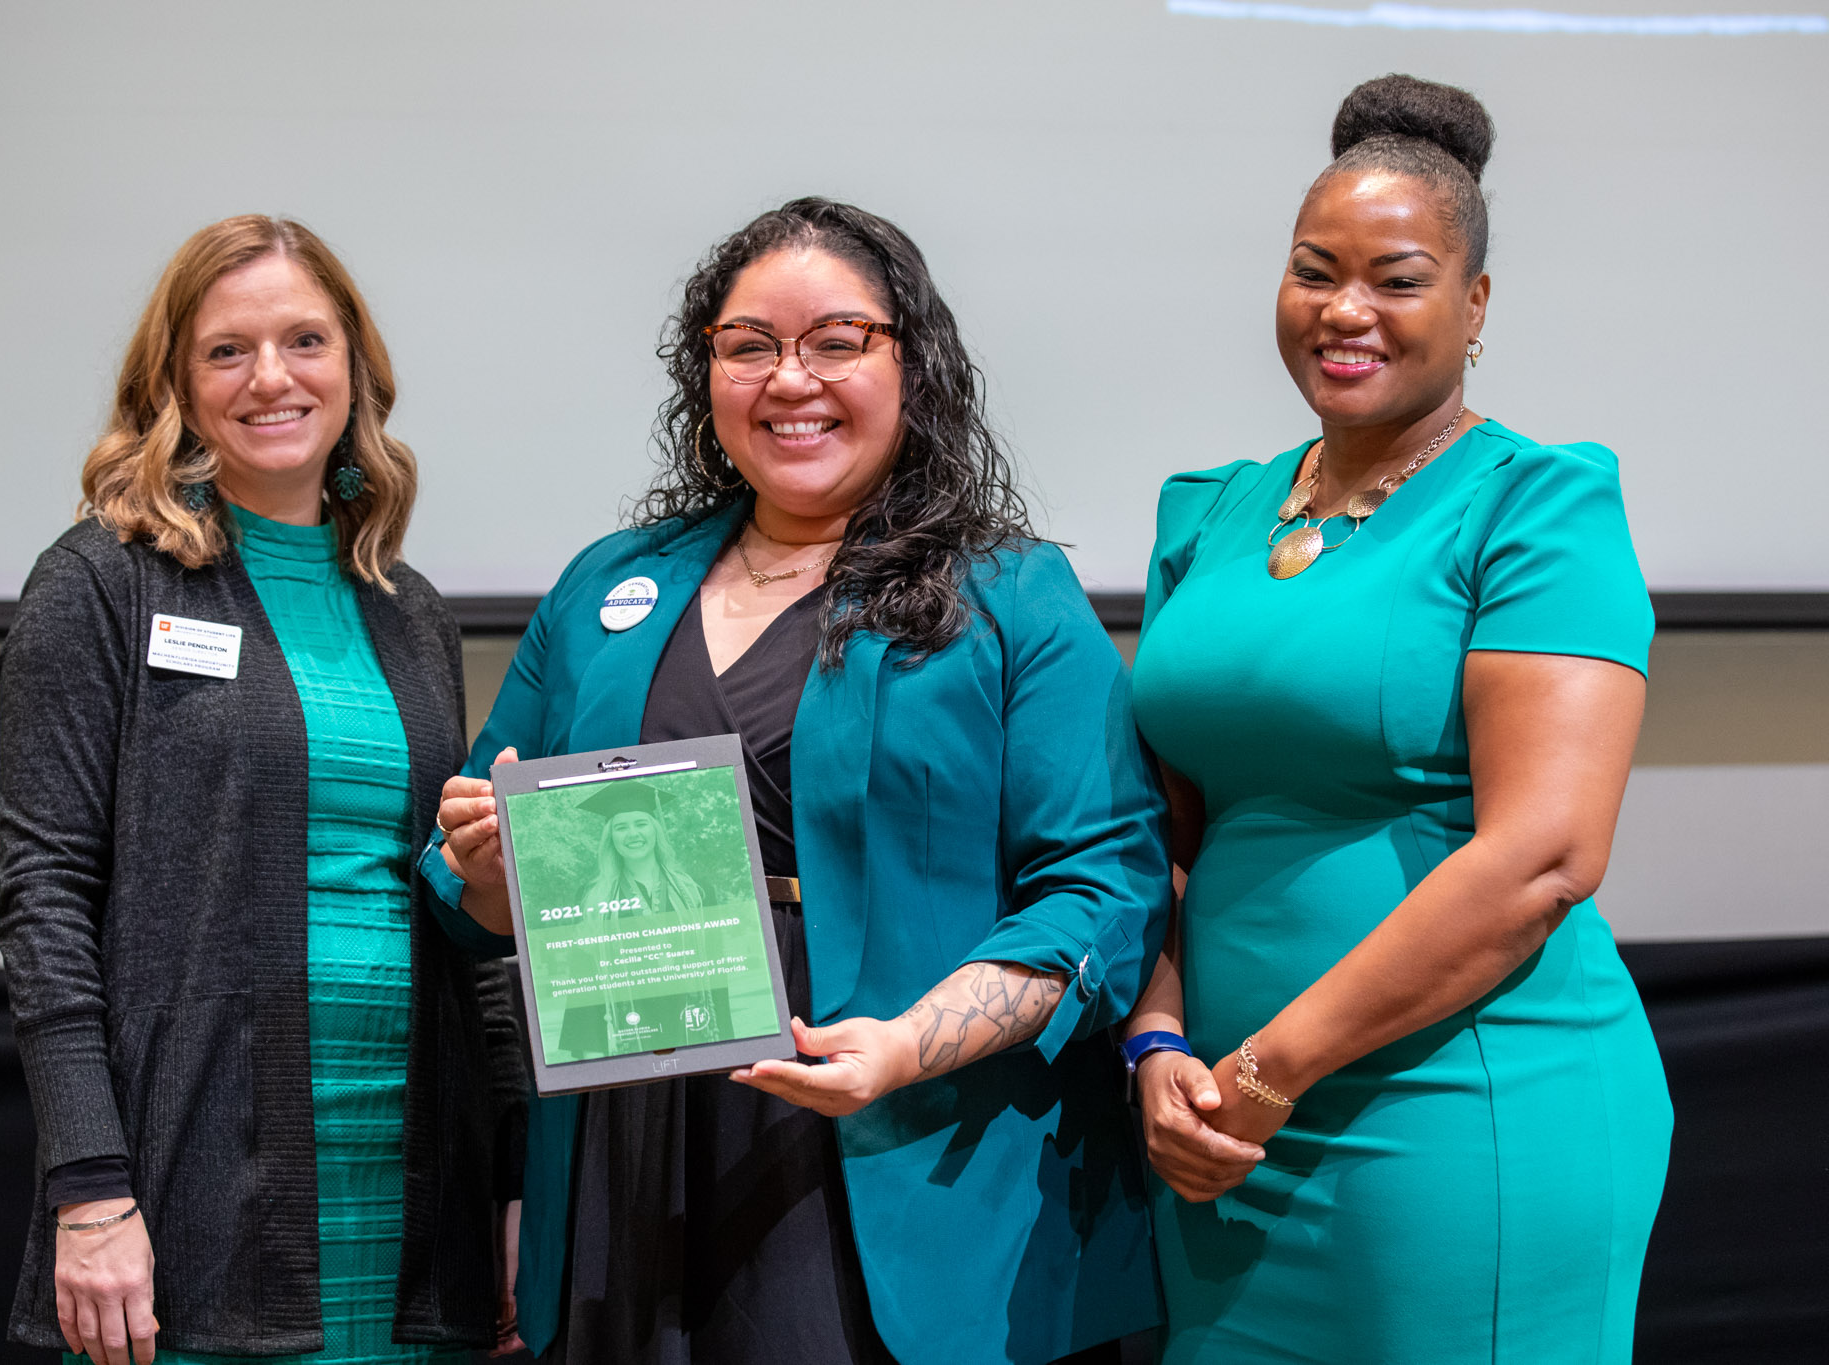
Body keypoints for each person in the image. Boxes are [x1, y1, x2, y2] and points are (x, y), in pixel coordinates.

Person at [422, 198, 1172, 1365]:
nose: (790, 380)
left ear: (911, 365)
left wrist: (910, 1046)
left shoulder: (1010, 595)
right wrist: (484, 871)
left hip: (906, 1132)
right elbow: (463, 882)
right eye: (748, 346)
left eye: (836, 340)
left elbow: (1104, 889)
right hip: (627, 1149)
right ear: (703, 374)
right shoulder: (604, 590)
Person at [1124, 76, 1673, 1363]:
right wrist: (1157, 1042)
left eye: (1396, 278)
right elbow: (1166, 827)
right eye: (1313, 271)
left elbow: (1542, 858)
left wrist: (1268, 1071)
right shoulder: (1207, 512)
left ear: (1473, 305)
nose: (1344, 311)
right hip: (1213, 1128)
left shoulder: (1537, 505)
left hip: (1459, 1111)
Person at [0, 215, 528, 1365]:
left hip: (413, 1172)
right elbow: (42, 902)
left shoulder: (409, 610)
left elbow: (460, 898)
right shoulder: (99, 584)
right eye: (227, 350)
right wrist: (88, 1191)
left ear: (354, 370)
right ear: (175, 383)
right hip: (194, 1177)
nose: (271, 377)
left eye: (304, 340)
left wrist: (514, 1183)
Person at [578, 781, 706, 915]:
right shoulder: (591, 897)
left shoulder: (696, 889)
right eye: (621, 827)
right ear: (610, 837)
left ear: (655, 831)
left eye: (641, 824)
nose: (633, 834)